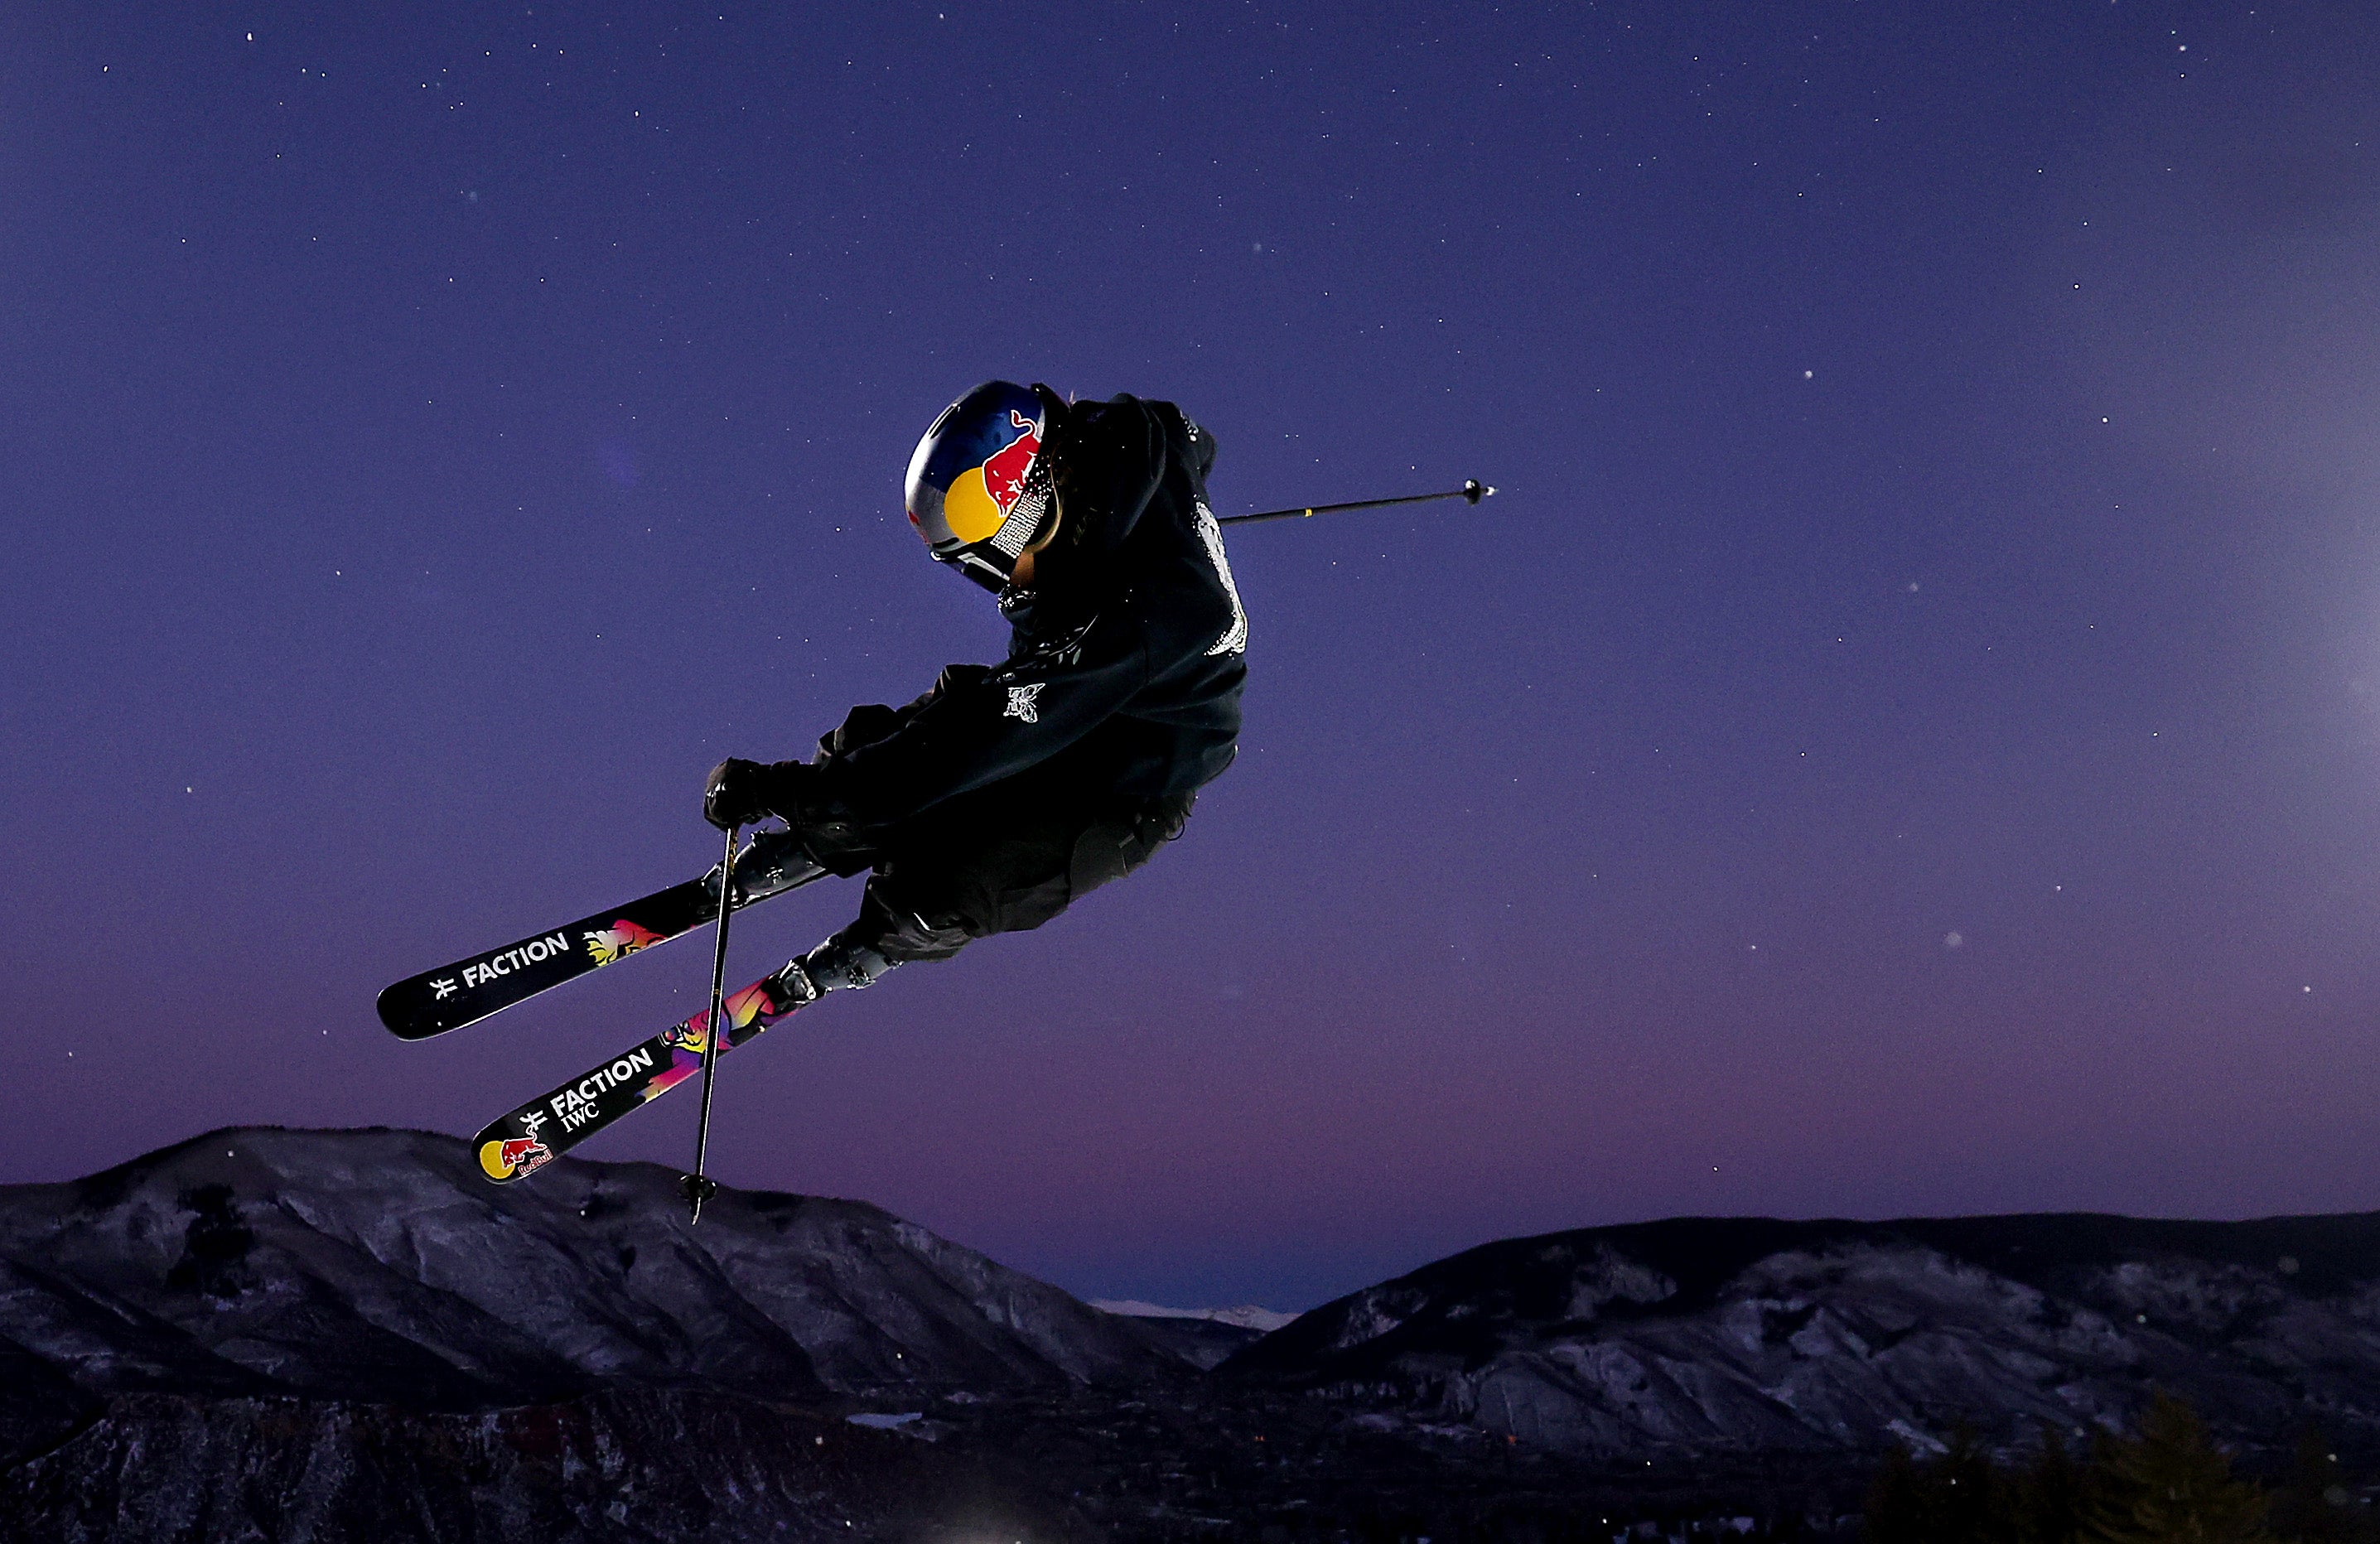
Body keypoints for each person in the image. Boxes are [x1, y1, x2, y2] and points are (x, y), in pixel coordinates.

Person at [700, 380, 1247, 1009]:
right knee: (878, 751)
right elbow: (1188, 437)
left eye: (991, 558)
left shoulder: (1126, 624)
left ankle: (874, 942)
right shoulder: (1127, 433)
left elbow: (975, 744)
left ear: (1034, 509)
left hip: (1127, 779)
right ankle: (823, 836)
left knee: (950, 880)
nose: (995, 582)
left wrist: (791, 790)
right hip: (1071, 690)